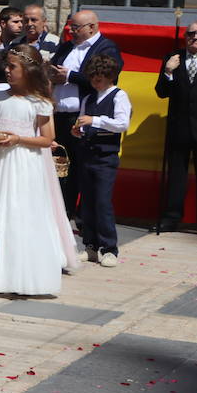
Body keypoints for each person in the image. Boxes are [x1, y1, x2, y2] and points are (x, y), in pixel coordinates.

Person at [0, 46, 77, 296]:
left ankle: (23, 273)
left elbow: (47, 139)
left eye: (12, 66)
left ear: (27, 70)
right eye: (7, 66)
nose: (7, 70)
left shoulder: (39, 102)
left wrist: (18, 140)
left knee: (22, 213)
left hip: (25, 163)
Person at [48, 10, 123, 217]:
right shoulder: (66, 47)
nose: (71, 31)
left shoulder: (106, 47)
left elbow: (106, 78)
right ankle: (63, 211)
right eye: (70, 27)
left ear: (92, 27)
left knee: (82, 167)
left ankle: (82, 214)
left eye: (76, 27)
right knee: (61, 166)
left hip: (83, 116)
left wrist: (71, 76)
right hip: (60, 114)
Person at [156, 21, 197, 236]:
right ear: (185, 36)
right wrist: (168, 72)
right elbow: (161, 92)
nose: (195, 37)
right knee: (176, 177)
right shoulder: (173, 58)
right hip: (179, 128)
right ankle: (171, 218)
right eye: (191, 33)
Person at [73, 54, 131, 266]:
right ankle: (90, 245)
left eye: (99, 79)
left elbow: (122, 124)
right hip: (87, 153)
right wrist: (78, 130)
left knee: (102, 201)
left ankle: (109, 248)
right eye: (92, 78)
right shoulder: (89, 99)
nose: (95, 82)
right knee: (86, 202)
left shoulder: (118, 96)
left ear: (110, 77)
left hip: (106, 157)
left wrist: (94, 120)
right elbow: (83, 122)